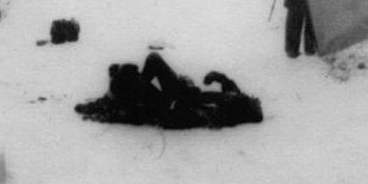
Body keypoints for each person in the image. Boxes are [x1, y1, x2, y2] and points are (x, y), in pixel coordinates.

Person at [75, 52, 263, 129]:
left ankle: (114, 97)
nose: (250, 97)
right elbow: (225, 83)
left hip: (172, 108)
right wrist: (216, 77)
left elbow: (197, 114)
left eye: (250, 100)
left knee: (128, 73)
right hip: (179, 95)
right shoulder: (235, 97)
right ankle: (124, 89)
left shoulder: (225, 114)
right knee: (150, 61)